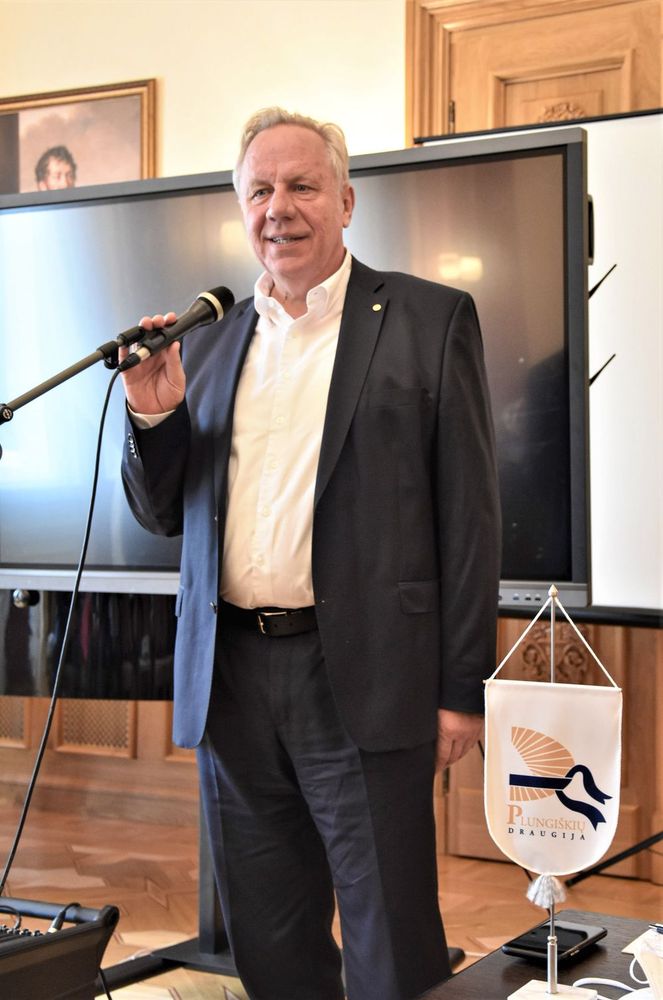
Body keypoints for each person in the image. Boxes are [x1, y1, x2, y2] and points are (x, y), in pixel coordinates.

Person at [120, 107, 501, 1000]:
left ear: (345, 201)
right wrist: (152, 413)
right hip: (232, 676)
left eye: (301, 186)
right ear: (240, 207)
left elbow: (470, 519)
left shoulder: (428, 317)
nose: (278, 207)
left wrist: (460, 689)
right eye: (259, 190)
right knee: (267, 931)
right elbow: (162, 515)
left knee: (388, 930)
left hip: (364, 671)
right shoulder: (206, 336)